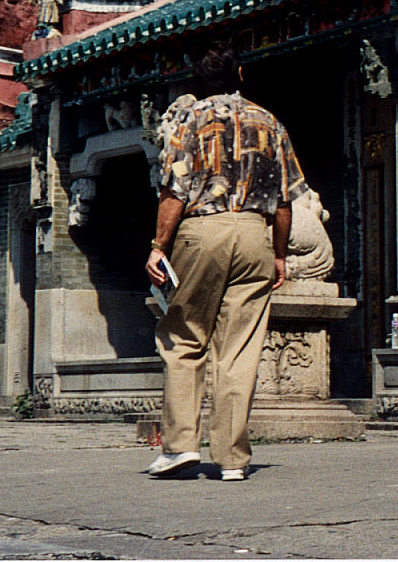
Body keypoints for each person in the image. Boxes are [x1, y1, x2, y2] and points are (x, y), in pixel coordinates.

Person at [144, 38, 306, 481]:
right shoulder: (268, 121)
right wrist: (278, 255)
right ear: (239, 75)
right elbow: (288, 199)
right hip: (255, 233)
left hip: (203, 231)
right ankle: (232, 460)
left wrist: (159, 246)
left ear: (198, 80)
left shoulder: (189, 117)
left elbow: (175, 188)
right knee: (239, 350)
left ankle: (180, 447)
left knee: (185, 336)